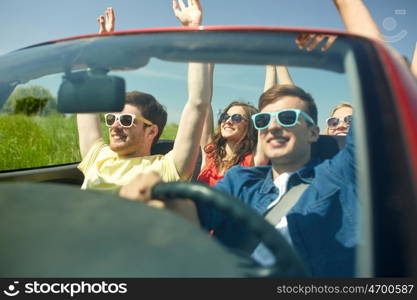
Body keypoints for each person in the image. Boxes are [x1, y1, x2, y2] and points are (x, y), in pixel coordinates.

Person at [77, 5, 211, 192]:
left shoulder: (165, 169)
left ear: (151, 131)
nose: (115, 126)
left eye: (125, 120)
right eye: (111, 119)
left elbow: (198, 104)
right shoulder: (98, 156)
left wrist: (194, 31)